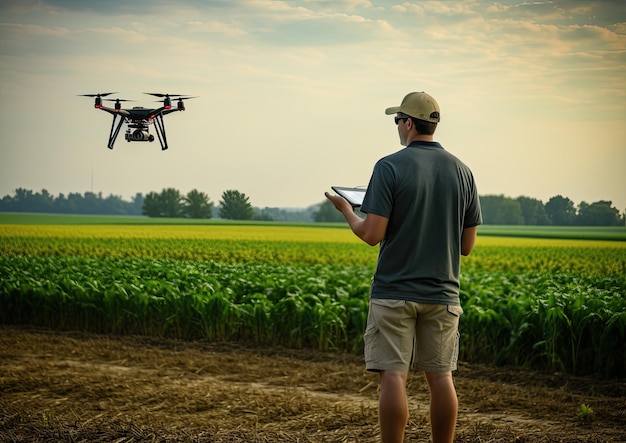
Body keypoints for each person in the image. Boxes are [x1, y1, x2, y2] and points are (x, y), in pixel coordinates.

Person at [325, 91, 482, 443]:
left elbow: (371, 234)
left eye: (398, 120)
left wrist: (348, 211)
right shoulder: (463, 172)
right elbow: (467, 246)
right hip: (443, 294)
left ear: (408, 123)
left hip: (394, 292)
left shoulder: (389, 166)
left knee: (393, 376)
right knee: (441, 377)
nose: (397, 126)